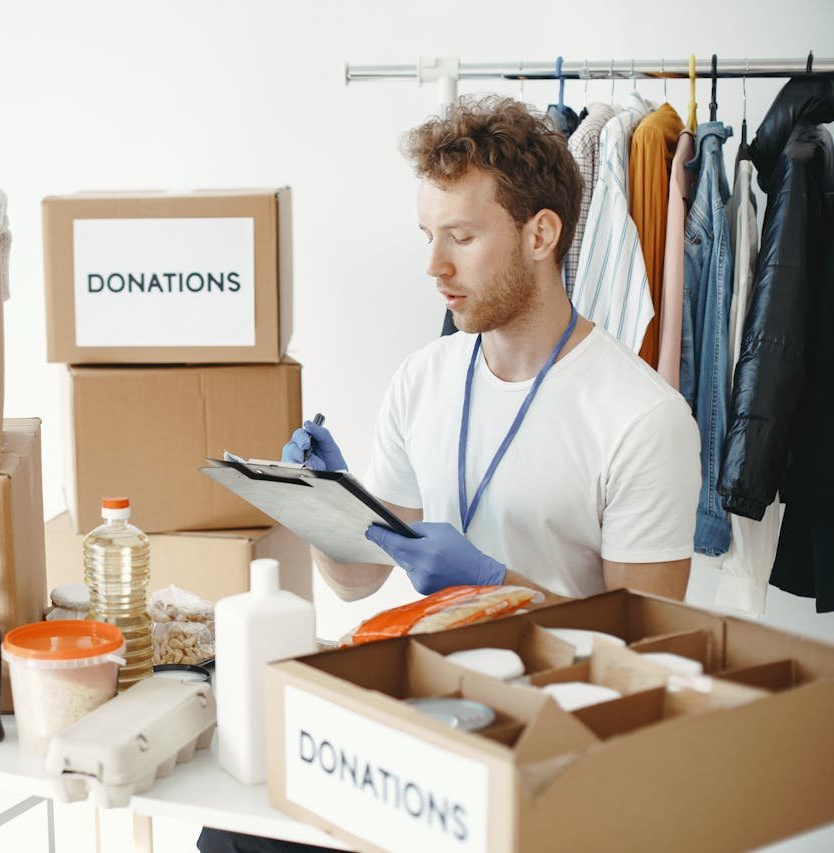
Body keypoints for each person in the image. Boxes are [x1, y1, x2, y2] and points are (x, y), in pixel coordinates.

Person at [197, 94, 700, 853]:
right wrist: (332, 507)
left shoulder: (642, 417)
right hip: (426, 706)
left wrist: (501, 584)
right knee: (233, 834)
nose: (434, 266)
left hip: (550, 746)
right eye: (428, 236)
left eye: (461, 237)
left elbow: (646, 659)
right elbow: (355, 581)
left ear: (541, 233)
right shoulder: (423, 378)